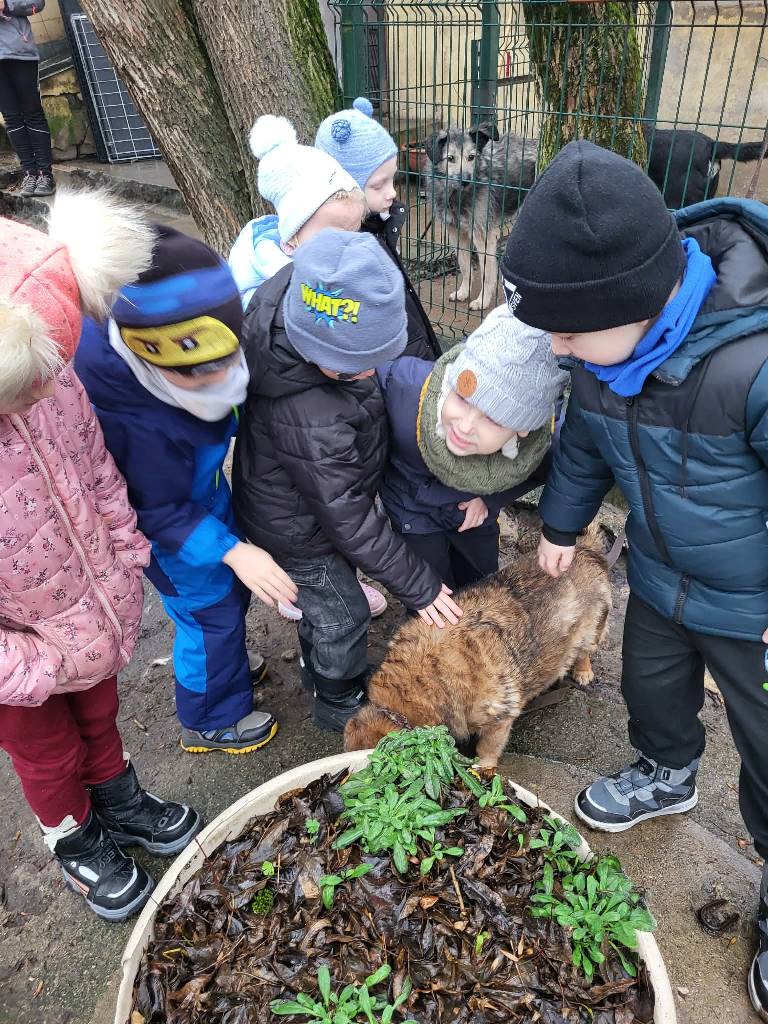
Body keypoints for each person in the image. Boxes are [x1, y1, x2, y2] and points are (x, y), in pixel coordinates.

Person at [500, 138, 768, 1018]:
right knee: (651, 686)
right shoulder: (602, 362)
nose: (558, 347)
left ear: (634, 301)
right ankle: (666, 769)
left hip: (752, 604)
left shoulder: (752, 364)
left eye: (567, 330)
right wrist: (561, 524)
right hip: (658, 573)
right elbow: (584, 445)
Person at [0, 191, 201, 921]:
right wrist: (32, 665)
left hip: (90, 610)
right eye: (24, 391)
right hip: (22, 656)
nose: (42, 395)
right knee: (47, 754)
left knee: (100, 715)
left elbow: (94, 465)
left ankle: (117, 796)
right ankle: (74, 836)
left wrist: (125, 551)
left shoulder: (49, 379)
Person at [75, 226, 297, 756]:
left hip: (202, 500)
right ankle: (210, 718)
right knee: (206, 615)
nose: (226, 378)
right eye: (206, 374)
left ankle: (226, 665)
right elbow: (155, 511)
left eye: (230, 361)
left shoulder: (181, 365)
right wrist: (232, 550)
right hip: (173, 534)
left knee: (229, 599)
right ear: (153, 358)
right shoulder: (138, 427)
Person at [232, 228, 463, 732]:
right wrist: (421, 587)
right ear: (322, 354)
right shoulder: (311, 414)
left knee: (326, 605)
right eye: (358, 367)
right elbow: (349, 518)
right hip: (297, 532)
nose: (372, 372)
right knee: (345, 612)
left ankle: (318, 668)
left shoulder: (300, 298)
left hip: (309, 508)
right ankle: (338, 700)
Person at [228, 114, 388, 625]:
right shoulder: (281, 302)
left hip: (320, 462)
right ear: (293, 239)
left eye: (355, 231)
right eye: (335, 233)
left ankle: (328, 582)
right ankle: (305, 589)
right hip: (294, 492)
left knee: (334, 509)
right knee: (337, 608)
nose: (349, 243)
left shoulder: (321, 279)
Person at [377, 304, 567, 589]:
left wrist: (490, 499)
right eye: (462, 398)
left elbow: (546, 469)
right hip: (412, 508)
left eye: (492, 419)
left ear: (523, 431)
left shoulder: (544, 445)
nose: (464, 426)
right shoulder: (404, 389)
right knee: (431, 593)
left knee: (480, 584)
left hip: (474, 510)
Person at [315, 96, 442, 361]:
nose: (392, 192)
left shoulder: (378, 225)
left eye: (392, 179)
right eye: (378, 185)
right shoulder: (347, 257)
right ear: (343, 189)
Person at [228, 115, 365, 311]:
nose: (345, 246)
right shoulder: (270, 281)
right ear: (292, 236)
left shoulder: (323, 259)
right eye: (331, 237)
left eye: (353, 233)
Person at [0, 0, 54, 197]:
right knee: (11, 117)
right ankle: (30, 173)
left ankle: (45, 174)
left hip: (20, 53)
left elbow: (37, 3)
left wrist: (7, 5)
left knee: (32, 113)